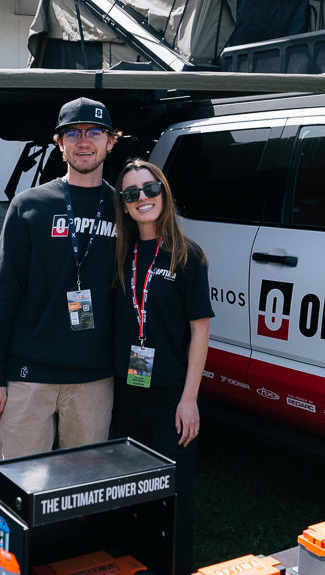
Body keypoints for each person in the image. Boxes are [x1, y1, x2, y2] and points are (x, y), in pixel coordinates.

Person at [0, 97, 120, 459]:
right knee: (21, 483)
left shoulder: (126, 209)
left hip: (94, 379)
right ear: (59, 143)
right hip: (29, 376)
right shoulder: (30, 206)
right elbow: (3, 295)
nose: (83, 141)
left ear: (110, 141)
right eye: (72, 133)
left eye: (94, 132)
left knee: (83, 485)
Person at [111, 159, 214, 575]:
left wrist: (190, 400)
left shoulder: (187, 256)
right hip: (125, 399)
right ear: (123, 204)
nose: (143, 198)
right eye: (131, 193)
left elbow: (200, 331)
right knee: (129, 500)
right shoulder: (118, 255)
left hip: (171, 400)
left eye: (150, 189)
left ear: (164, 193)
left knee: (172, 500)